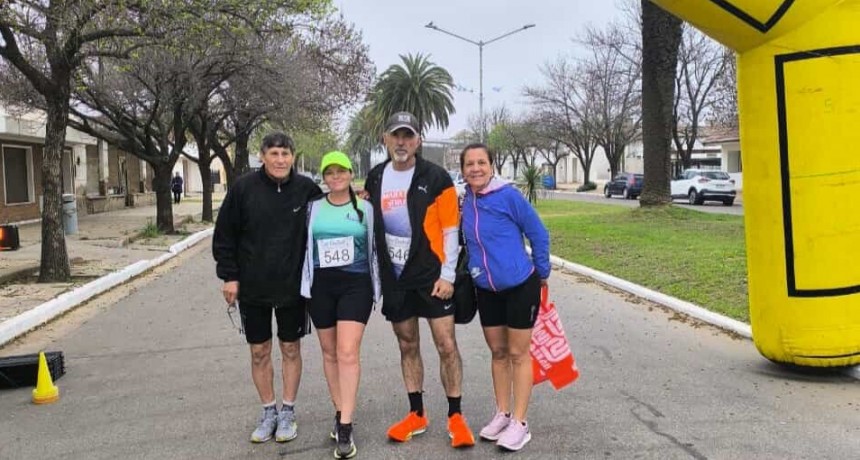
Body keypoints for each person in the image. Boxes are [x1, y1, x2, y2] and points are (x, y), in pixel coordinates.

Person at [365, 112, 475, 448]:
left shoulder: (436, 177)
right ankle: (416, 414)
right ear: (385, 139)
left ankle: (456, 416)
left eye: (408, 136)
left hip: (432, 276)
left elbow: (451, 229)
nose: (402, 142)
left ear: (418, 141)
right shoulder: (376, 177)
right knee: (407, 344)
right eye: (396, 135)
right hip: (396, 280)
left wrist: (448, 275)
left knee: (446, 345)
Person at [212, 132, 321, 444]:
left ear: (293, 157)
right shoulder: (243, 189)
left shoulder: (307, 190)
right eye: (274, 154)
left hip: (293, 287)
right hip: (253, 288)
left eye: (285, 154)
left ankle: (288, 411)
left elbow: (329, 219)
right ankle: (269, 411)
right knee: (259, 351)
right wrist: (229, 276)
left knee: (290, 348)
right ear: (262, 156)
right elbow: (225, 236)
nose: (280, 160)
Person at [458, 143, 550, 452]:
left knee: (517, 353)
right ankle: (503, 413)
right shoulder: (465, 200)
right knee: (498, 352)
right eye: (469, 164)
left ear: (492, 166)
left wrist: (542, 271)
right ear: (462, 170)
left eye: (481, 162)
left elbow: (538, 233)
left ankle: (520, 423)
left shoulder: (508, 196)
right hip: (486, 289)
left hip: (520, 285)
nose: (476, 168)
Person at [300, 151, 379, 459]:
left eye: (341, 171)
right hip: (321, 285)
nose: (336, 177)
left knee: (347, 351)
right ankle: (339, 410)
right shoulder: (313, 208)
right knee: (330, 352)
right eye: (330, 172)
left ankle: (346, 425)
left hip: (356, 285)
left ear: (350, 173)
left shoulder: (365, 208)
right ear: (324, 177)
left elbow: (378, 245)